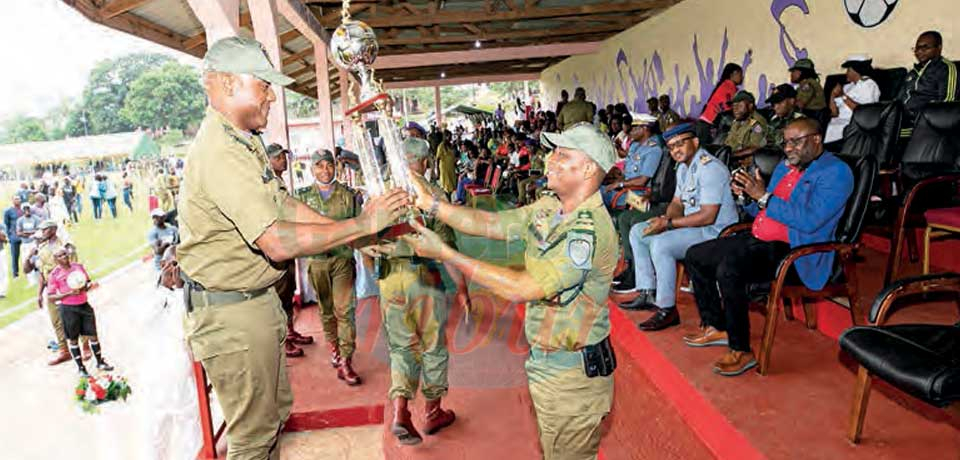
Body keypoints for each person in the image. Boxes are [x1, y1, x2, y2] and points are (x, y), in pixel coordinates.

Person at [177, 36, 408, 460]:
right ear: (228, 84)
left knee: (271, 420)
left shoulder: (244, 141)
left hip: (253, 304)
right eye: (263, 83)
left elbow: (283, 204)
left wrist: (355, 235)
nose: (271, 96)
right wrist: (361, 223)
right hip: (232, 314)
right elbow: (276, 240)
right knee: (252, 438)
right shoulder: (221, 152)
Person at [401, 123, 618, 460]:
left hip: (573, 376)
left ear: (589, 168)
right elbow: (493, 225)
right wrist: (432, 205)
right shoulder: (550, 208)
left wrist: (446, 254)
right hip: (548, 363)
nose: (550, 160)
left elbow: (522, 288)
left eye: (562, 155)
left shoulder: (586, 232)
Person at [683, 118, 853, 376]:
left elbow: (809, 220)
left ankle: (741, 350)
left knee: (730, 268)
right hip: (760, 238)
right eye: (786, 142)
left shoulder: (836, 172)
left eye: (796, 141)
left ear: (817, 139)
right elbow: (764, 208)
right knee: (696, 255)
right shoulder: (786, 169)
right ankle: (716, 325)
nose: (788, 148)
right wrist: (745, 196)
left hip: (795, 249)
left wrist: (762, 196)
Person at [369, 137, 460, 445]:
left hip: (389, 277)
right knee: (433, 344)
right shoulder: (432, 194)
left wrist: (379, 270)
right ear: (422, 162)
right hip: (425, 275)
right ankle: (432, 412)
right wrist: (462, 288)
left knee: (401, 346)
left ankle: (400, 412)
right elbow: (447, 248)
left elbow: (364, 238)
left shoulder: (379, 192)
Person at [621, 123, 739, 331]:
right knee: (638, 231)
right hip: (692, 227)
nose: (675, 150)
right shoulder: (683, 167)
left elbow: (708, 216)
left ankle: (667, 309)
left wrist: (668, 224)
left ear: (695, 142)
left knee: (660, 244)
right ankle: (647, 291)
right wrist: (665, 221)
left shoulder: (710, 168)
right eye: (671, 146)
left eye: (680, 144)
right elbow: (677, 203)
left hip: (715, 232)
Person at [296, 149, 361, 379]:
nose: (325, 170)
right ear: (312, 169)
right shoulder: (301, 197)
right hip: (317, 262)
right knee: (326, 309)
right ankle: (334, 346)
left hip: (342, 259)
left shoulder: (348, 195)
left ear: (336, 167)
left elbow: (357, 227)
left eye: (329, 165)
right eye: (320, 166)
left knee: (345, 310)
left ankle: (346, 359)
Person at [265, 143, 314, 359]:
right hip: (277, 246)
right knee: (278, 293)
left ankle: (290, 331)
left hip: (288, 245)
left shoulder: (280, 181)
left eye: (284, 156)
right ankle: (282, 341)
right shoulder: (265, 184)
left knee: (288, 290)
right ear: (268, 161)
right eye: (278, 158)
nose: (283, 160)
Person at [45, 247, 114, 377]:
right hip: (68, 309)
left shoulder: (78, 267)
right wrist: (69, 293)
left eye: (65, 254)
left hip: (84, 305)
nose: (64, 257)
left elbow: (86, 283)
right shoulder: (54, 275)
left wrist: (90, 286)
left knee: (93, 334)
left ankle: (100, 361)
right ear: (55, 259)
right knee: (73, 339)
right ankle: (81, 368)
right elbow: (51, 297)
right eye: (60, 256)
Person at [36, 220, 86, 365]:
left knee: (76, 316)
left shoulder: (65, 245)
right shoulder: (42, 248)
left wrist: (77, 286)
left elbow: (75, 266)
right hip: (51, 288)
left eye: (44, 230)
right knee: (56, 321)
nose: (42, 233)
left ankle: (85, 346)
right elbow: (41, 271)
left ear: (52, 229)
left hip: (66, 285)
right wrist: (39, 294)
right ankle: (64, 351)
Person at [602, 114, 662, 211]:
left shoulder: (653, 150)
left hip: (638, 194)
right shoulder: (635, 146)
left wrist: (619, 184)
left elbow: (642, 181)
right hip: (625, 189)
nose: (631, 131)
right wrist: (615, 182)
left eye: (634, 128)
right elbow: (626, 173)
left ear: (644, 129)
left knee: (597, 195)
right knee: (596, 189)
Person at [899, 31, 958, 126]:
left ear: (939, 48)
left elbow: (948, 102)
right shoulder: (912, 73)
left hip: (923, 121)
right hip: (900, 118)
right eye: (917, 48)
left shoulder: (945, 68)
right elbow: (898, 100)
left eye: (925, 47)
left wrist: (923, 116)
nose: (919, 51)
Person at [825, 55, 881, 145]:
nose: (846, 73)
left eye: (848, 70)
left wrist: (843, 96)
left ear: (856, 70)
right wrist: (832, 95)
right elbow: (834, 113)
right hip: (835, 125)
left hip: (853, 126)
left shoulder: (869, 85)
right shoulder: (847, 86)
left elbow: (864, 112)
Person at [698, 63, 743, 142]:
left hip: (704, 123)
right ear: (733, 74)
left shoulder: (725, 85)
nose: (742, 77)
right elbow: (729, 109)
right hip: (709, 124)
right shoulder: (729, 87)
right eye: (740, 74)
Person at [725, 90, 769, 161]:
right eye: (734, 106)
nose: (735, 109)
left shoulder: (756, 123)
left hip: (745, 163)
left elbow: (756, 147)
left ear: (750, 106)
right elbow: (728, 142)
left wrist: (731, 156)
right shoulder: (737, 121)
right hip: (730, 160)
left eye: (739, 105)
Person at [16, 204, 40, 285]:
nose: (27, 211)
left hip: (34, 242)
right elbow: (18, 233)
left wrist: (26, 232)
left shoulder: (35, 218)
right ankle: (31, 281)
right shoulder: (20, 220)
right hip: (25, 244)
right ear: (23, 210)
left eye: (28, 209)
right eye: (25, 209)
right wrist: (30, 233)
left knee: (36, 260)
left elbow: (38, 230)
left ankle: (38, 278)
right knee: (26, 261)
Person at [4, 195, 23, 278]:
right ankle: (15, 274)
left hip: (24, 234)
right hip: (14, 236)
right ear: (12, 200)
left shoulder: (23, 209)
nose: (18, 200)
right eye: (16, 199)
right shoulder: (8, 211)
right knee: (15, 255)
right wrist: (9, 235)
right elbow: (6, 224)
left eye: (19, 199)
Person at [436, 130, 457, 196]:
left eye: (450, 136)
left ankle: (450, 197)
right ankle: (449, 200)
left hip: (451, 168)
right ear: (445, 137)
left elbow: (453, 157)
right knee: (447, 186)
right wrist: (438, 171)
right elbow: (437, 159)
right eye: (448, 136)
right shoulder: (441, 146)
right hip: (444, 169)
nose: (450, 137)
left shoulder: (451, 145)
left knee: (452, 184)